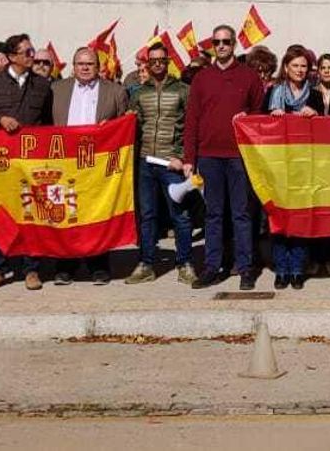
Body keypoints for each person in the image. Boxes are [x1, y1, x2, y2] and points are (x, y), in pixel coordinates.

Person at [0, 34, 55, 290]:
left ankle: (32, 269)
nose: (33, 56)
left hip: (32, 162)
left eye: (32, 52)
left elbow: (48, 123)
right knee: (1, 216)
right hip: (2, 163)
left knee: (32, 213)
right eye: (27, 52)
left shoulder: (42, 85)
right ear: (12, 56)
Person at [183, 24, 266, 290]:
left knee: (241, 214)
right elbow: (192, 120)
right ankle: (212, 267)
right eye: (216, 42)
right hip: (208, 157)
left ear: (234, 45)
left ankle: (245, 268)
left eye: (226, 42)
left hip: (239, 157)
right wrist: (189, 158)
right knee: (213, 215)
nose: (221, 46)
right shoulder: (201, 78)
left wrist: (249, 118)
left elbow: (259, 114)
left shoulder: (249, 76)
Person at [49, 46, 128, 285]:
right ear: (73, 67)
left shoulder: (115, 91)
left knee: (96, 214)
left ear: (98, 67)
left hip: (98, 165)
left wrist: (113, 127)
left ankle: (99, 266)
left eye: (90, 64)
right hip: (65, 163)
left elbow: (127, 121)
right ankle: (66, 266)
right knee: (66, 213)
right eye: (80, 64)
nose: (85, 68)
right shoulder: (56, 90)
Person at [128, 43, 193, 284]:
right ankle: (146, 263)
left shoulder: (183, 90)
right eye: (152, 60)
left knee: (181, 215)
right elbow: (132, 124)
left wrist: (182, 157)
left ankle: (184, 263)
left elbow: (190, 126)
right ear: (146, 63)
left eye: (161, 60)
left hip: (171, 162)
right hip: (145, 161)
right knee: (147, 215)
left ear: (168, 62)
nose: (157, 64)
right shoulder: (138, 92)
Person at [264, 49, 316, 289]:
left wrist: (315, 115)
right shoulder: (273, 95)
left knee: (300, 218)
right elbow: (260, 127)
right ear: (286, 67)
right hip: (277, 166)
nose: (299, 70)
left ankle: (297, 269)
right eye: (295, 65)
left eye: (303, 66)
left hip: (304, 165)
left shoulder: (313, 96)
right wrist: (272, 118)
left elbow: (326, 129)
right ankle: (280, 269)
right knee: (278, 217)